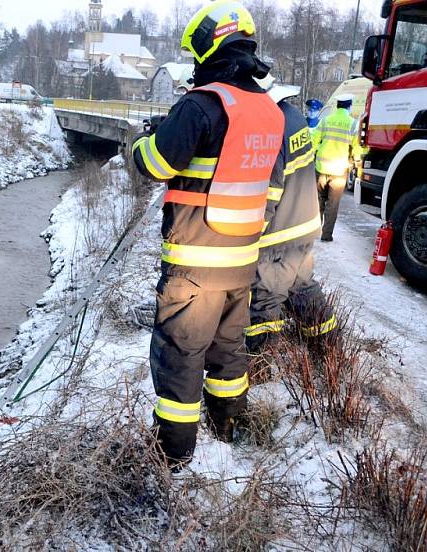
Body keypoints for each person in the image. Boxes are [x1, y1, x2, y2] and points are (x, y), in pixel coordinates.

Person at [130, 1, 284, 466]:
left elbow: (156, 163)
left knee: (180, 359)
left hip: (195, 265)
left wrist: (142, 142)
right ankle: (230, 426)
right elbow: (263, 181)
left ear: (209, 47)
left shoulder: (200, 104)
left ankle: (173, 458)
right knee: (227, 353)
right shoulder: (267, 110)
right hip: (240, 263)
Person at [246, 84, 336, 352]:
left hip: (278, 236)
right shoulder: (293, 116)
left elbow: (269, 191)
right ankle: (328, 348)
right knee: (302, 287)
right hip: (303, 228)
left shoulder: (271, 124)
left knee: (265, 298)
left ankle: (261, 364)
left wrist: (250, 236)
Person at [313, 93, 362, 242]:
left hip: (321, 168)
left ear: (337, 106)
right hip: (339, 171)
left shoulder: (325, 120)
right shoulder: (353, 124)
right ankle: (326, 235)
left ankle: (314, 232)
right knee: (332, 205)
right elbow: (357, 147)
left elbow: (314, 140)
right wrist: (358, 162)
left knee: (318, 201)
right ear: (349, 106)